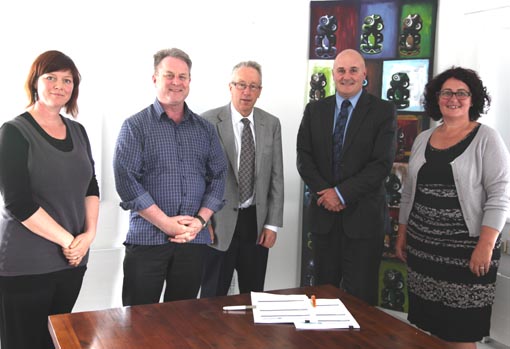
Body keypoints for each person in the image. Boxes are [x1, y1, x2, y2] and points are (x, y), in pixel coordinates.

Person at [395, 67, 510, 348]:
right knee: (428, 328)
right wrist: (402, 234)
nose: (453, 98)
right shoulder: (424, 138)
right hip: (424, 250)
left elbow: (500, 194)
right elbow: (410, 191)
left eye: (462, 93)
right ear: (437, 98)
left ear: (473, 99)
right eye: (446, 92)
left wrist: (485, 244)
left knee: (461, 332)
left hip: (466, 252)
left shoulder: (487, 138)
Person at [0, 50, 100, 349]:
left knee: (57, 343)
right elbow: (17, 203)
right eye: (51, 77)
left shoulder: (79, 131)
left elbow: (91, 186)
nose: (59, 85)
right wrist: (70, 241)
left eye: (67, 80)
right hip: (25, 266)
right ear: (35, 82)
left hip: (71, 264)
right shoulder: (13, 132)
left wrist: (89, 236)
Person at [113, 48, 227, 306]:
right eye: (169, 75)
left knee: (184, 320)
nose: (176, 82)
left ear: (189, 81)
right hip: (147, 241)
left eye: (183, 76)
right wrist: (166, 223)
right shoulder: (135, 126)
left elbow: (219, 177)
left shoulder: (205, 130)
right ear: (155, 78)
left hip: (193, 240)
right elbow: (127, 182)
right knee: (139, 323)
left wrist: (200, 221)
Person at [296, 49, 396, 305]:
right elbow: (304, 158)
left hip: (363, 221)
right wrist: (325, 193)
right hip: (323, 218)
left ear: (364, 74)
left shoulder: (383, 112)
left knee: (361, 300)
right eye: (341, 70)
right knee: (322, 295)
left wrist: (340, 194)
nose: (347, 76)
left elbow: (380, 165)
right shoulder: (315, 110)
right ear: (333, 74)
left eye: (353, 70)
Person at [200, 61, 284, 297]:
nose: (246, 92)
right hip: (217, 222)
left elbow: (276, 175)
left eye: (253, 86)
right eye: (241, 85)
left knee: (254, 297)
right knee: (211, 297)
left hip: (255, 224)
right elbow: (197, 177)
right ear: (230, 87)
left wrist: (271, 224)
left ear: (260, 91)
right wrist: (203, 222)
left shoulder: (271, 124)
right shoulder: (207, 121)